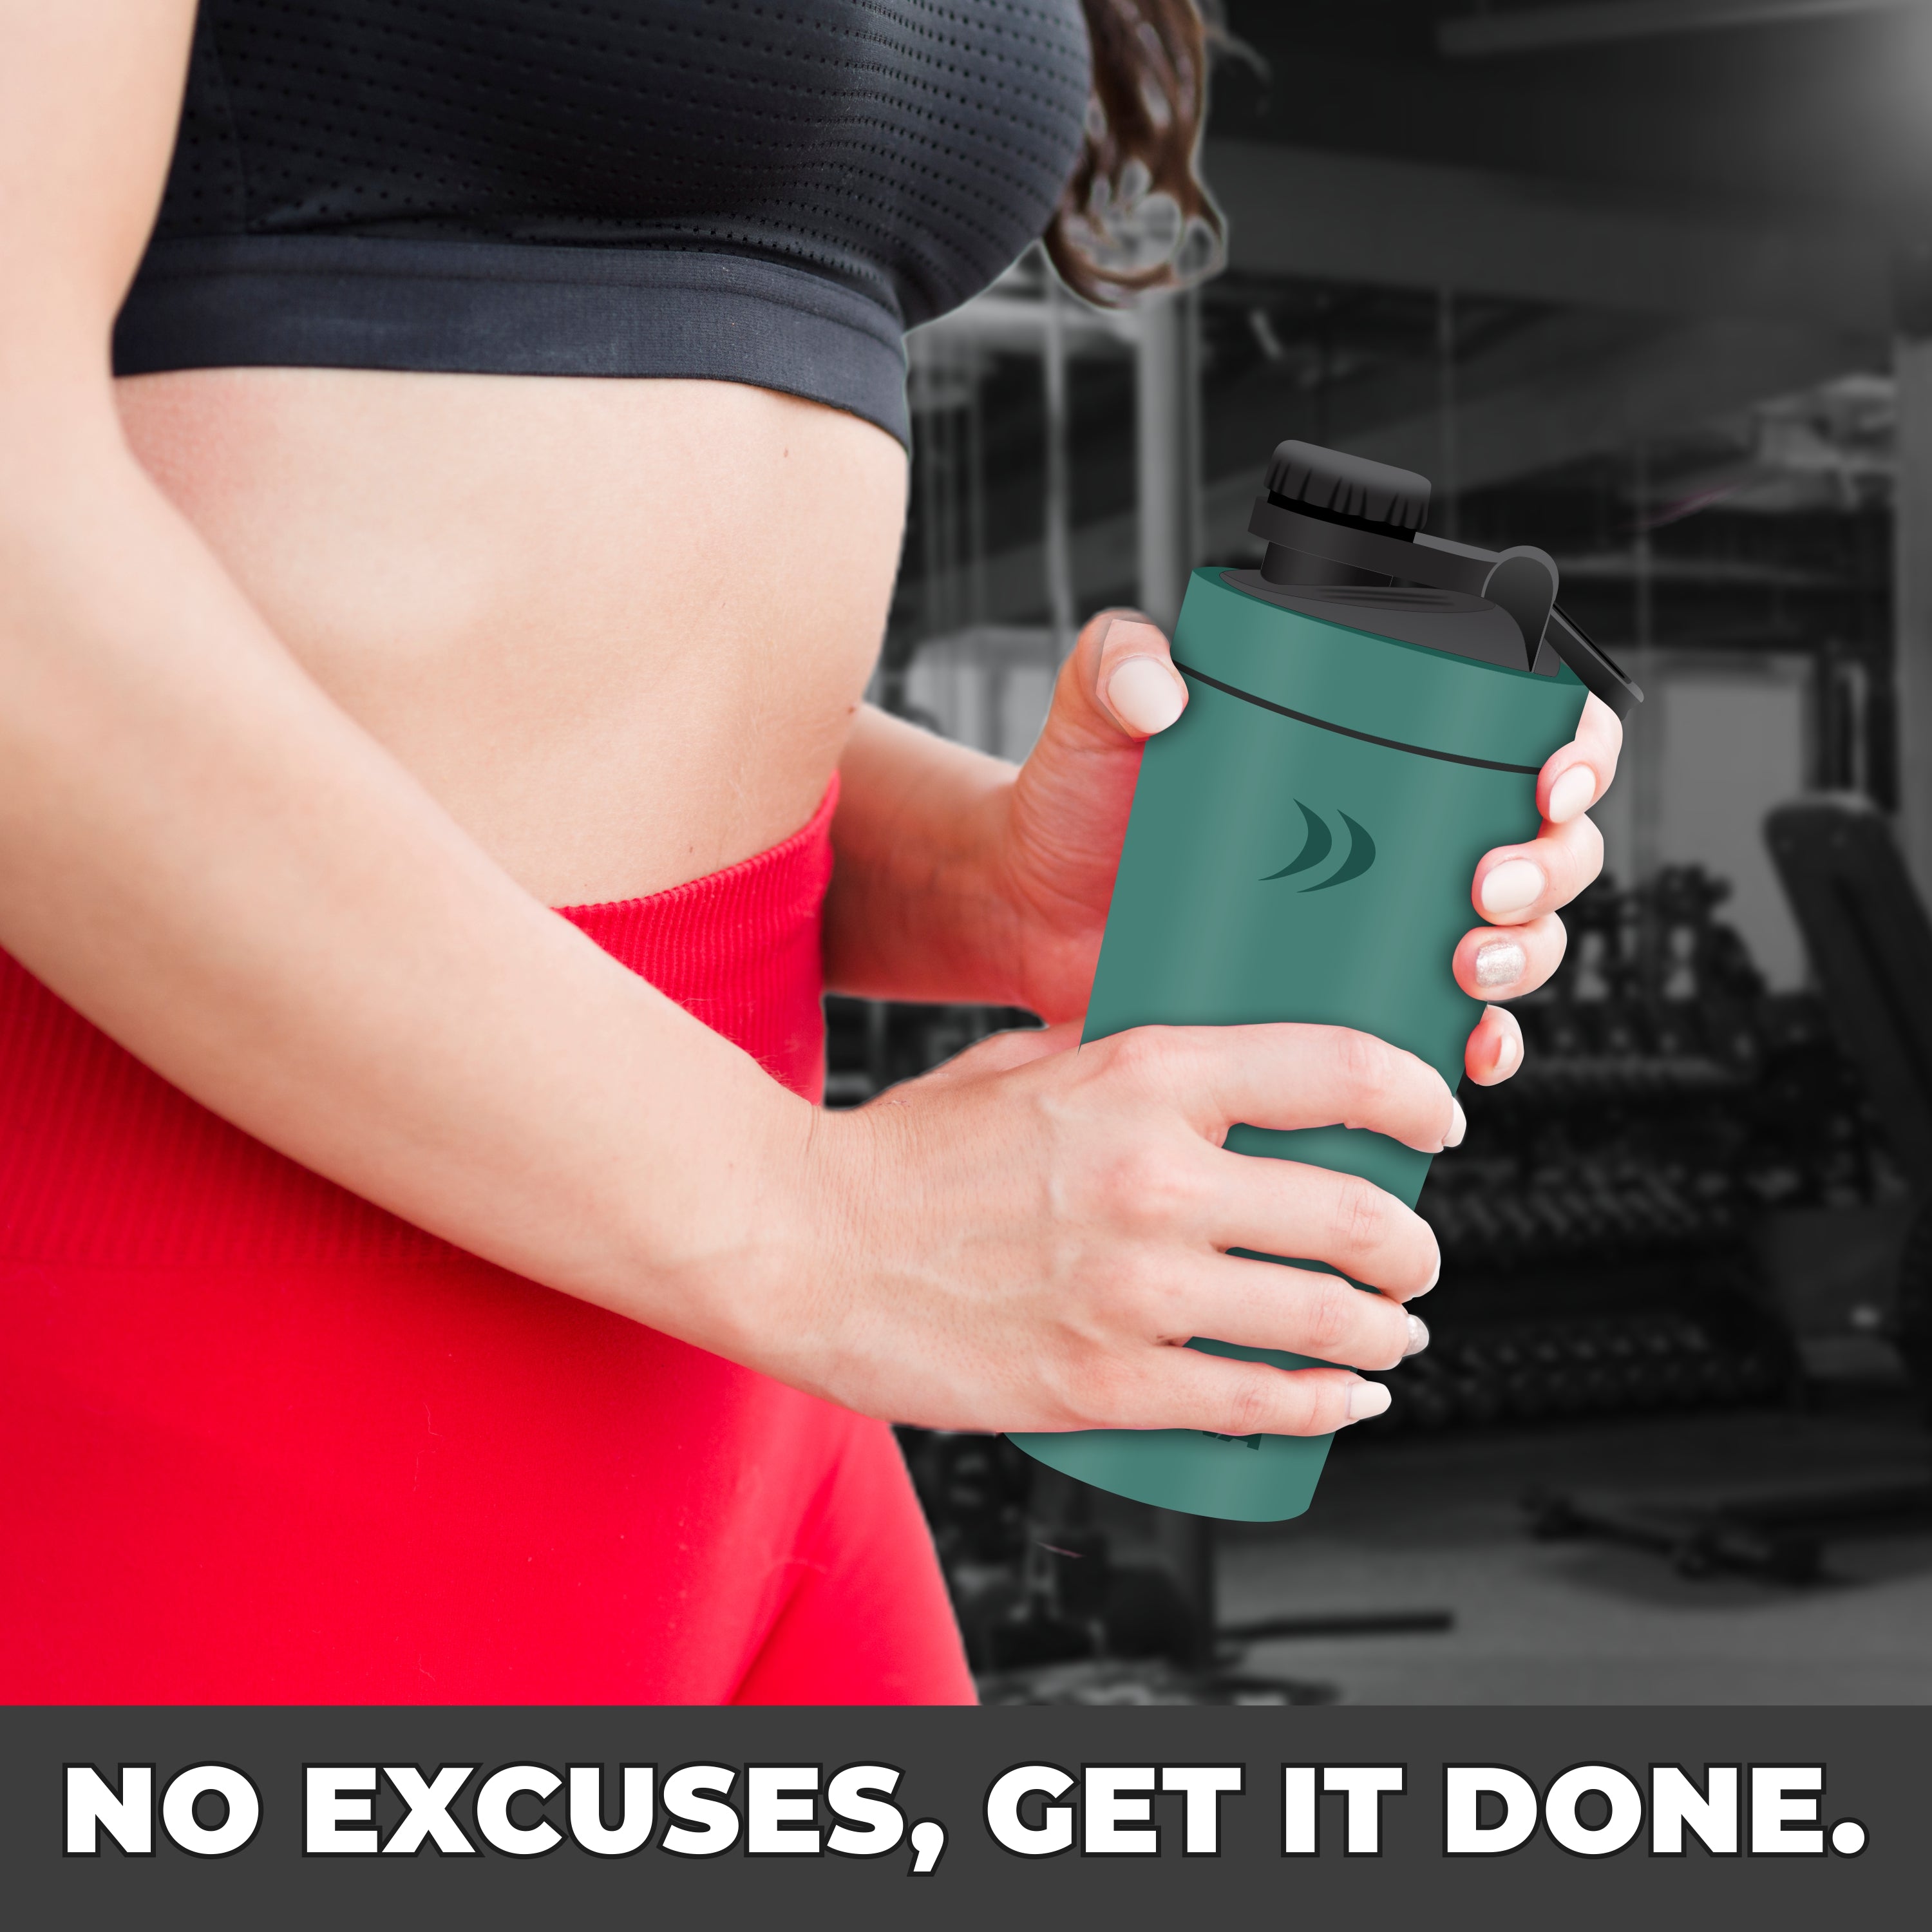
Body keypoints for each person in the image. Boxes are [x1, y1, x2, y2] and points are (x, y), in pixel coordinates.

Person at [0, 0, 1621, 1703]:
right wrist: (820, 1223)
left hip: (721, 1332)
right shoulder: (794, 1234)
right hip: (206, 1272)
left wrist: (978, 880)